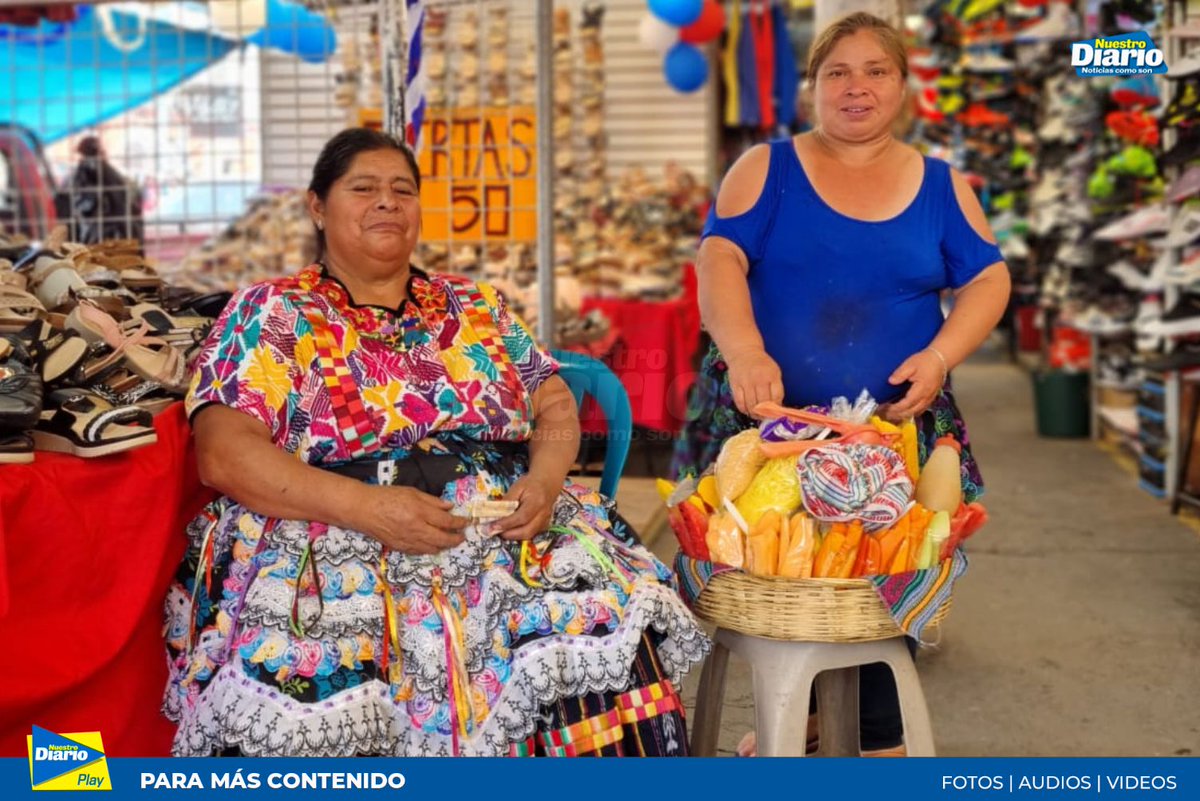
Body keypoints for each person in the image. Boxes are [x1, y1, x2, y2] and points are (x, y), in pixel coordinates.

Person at [163, 128, 707, 757]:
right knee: (321, 697)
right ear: (317, 207)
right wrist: (368, 509)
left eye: (402, 190)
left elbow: (553, 400)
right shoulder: (273, 312)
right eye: (363, 188)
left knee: (598, 639)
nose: (387, 202)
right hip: (335, 531)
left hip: (502, 528)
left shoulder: (472, 304)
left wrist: (547, 480)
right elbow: (225, 453)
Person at [671, 12, 1011, 756]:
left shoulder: (943, 185)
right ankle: (809, 720)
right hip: (768, 428)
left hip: (895, 428)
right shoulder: (766, 168)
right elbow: (719, 259)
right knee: (783, 589)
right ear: (813, 87)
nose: (857, 88)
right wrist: (745, 347)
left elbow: (989, 277)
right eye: (838, 73)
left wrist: (942, 355)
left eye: (875, 71)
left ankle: (867, 737)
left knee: (874, 589)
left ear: (903, 84)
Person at [54, 135, 143, 245]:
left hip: (87, 242)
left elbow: (64, 211)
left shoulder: (73, 179)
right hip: (117, 241)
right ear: (102, 152)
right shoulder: (117, 178)